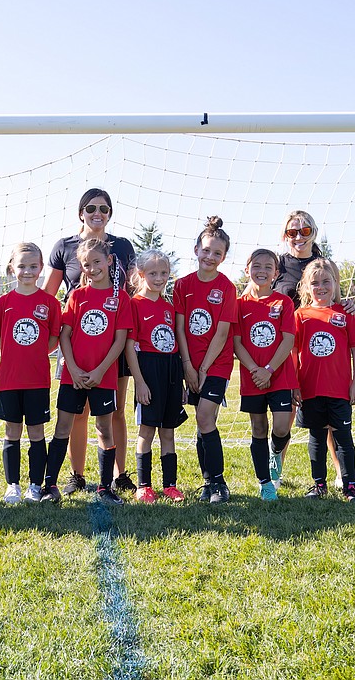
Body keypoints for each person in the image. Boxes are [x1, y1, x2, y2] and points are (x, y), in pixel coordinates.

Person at [43, 188, 137, 496]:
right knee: (76, 414)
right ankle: (76, 475)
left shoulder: (122, 246)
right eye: (92, 207)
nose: (98, 213)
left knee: (115, 411)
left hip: (112, 345)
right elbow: (49, 295)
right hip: (76, 345)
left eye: (104, 208)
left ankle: (119, 476)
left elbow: (137, 287)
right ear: (81, 211)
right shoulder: (65, 247)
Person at [272, 209, 350, 488]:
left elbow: (337, 298)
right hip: (282, 351)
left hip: (316, 353)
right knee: (284, 417)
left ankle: (343, 474)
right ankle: (274, 472)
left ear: (314, 232)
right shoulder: (276, 265)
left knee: (328, 417)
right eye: (293, 232)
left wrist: (349, 305)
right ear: (285, 235)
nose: (299, 237)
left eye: (305, 231)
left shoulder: (325, 264)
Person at [174, 216, 238, 504]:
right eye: (207, 250)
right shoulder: (182, 285)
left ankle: (219, 483)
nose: (210, 256)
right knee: (203, 421)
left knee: (204, 417)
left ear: (223, 258)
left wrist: (202, 368)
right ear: (196, 249)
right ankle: (208, 483)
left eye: (217, 253)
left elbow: (223, 333)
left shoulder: (226, 287)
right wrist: (188, 365)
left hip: (217, 364)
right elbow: (180, 328)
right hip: (189, 364)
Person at [293, 258, 355, 504]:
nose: (321, 287)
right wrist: (294, 384)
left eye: (326, 281)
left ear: (336, 284)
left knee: (343, 437)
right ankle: (319, 484)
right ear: (306, 287)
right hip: (310, 389)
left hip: (339, 390)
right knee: (316, 437)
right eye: (314, 283)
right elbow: (293, 352)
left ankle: (350, 487)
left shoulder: (346, 313)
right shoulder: (300, 315)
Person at [0, 243, 62, 504]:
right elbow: (0, 339)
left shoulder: (50, 304)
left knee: (36, 432)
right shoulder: (3, 303)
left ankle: (35, 485)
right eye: (22, 266)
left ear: (41, 268)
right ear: (13, 268)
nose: (28, 271)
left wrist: (34, 354)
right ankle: (13, 485)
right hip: (9, 379)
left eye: (33, 266)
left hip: (37, 380)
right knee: (12, 430)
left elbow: (53, 338)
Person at [233, 249, 298, 501]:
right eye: (256, 266)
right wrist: (255, 371)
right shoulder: (239, 304)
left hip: (279, 375)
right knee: (258, 427)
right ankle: (265, 482)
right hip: (252, 377)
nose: (262, 271)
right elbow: (237, 342)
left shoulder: (284, 302)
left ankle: (275, 452)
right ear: (247, 269)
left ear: (276, 272)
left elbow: (288, 340)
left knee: (281, 427)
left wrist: (269, 369)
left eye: (268, 267)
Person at [124, 249, 187, 503]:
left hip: (171, 371)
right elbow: (130, 346)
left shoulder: (169, 308)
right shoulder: (134, 304)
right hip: (148, 371)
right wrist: (140, 382)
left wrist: (181, 381)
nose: (159, 278)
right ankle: (144, 485)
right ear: (141, 275)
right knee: (147, 431)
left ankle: (170, 485)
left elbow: (174, 346)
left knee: (168, 432)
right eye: (153, 273)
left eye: (164, 273)